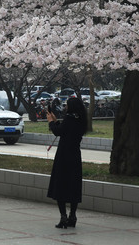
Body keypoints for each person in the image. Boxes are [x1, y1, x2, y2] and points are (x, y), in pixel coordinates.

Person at [46, 97, 87, 229]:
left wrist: (51, 122)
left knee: (61, 185)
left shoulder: (69, 118)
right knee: (73, 185)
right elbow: (66, 130)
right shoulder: (81, 120)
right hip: (75, 155)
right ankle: (73, 216)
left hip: (63, 156)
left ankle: (63, 217)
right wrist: (57, 121)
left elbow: (58, 132)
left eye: (67, 105)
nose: (65, 107)